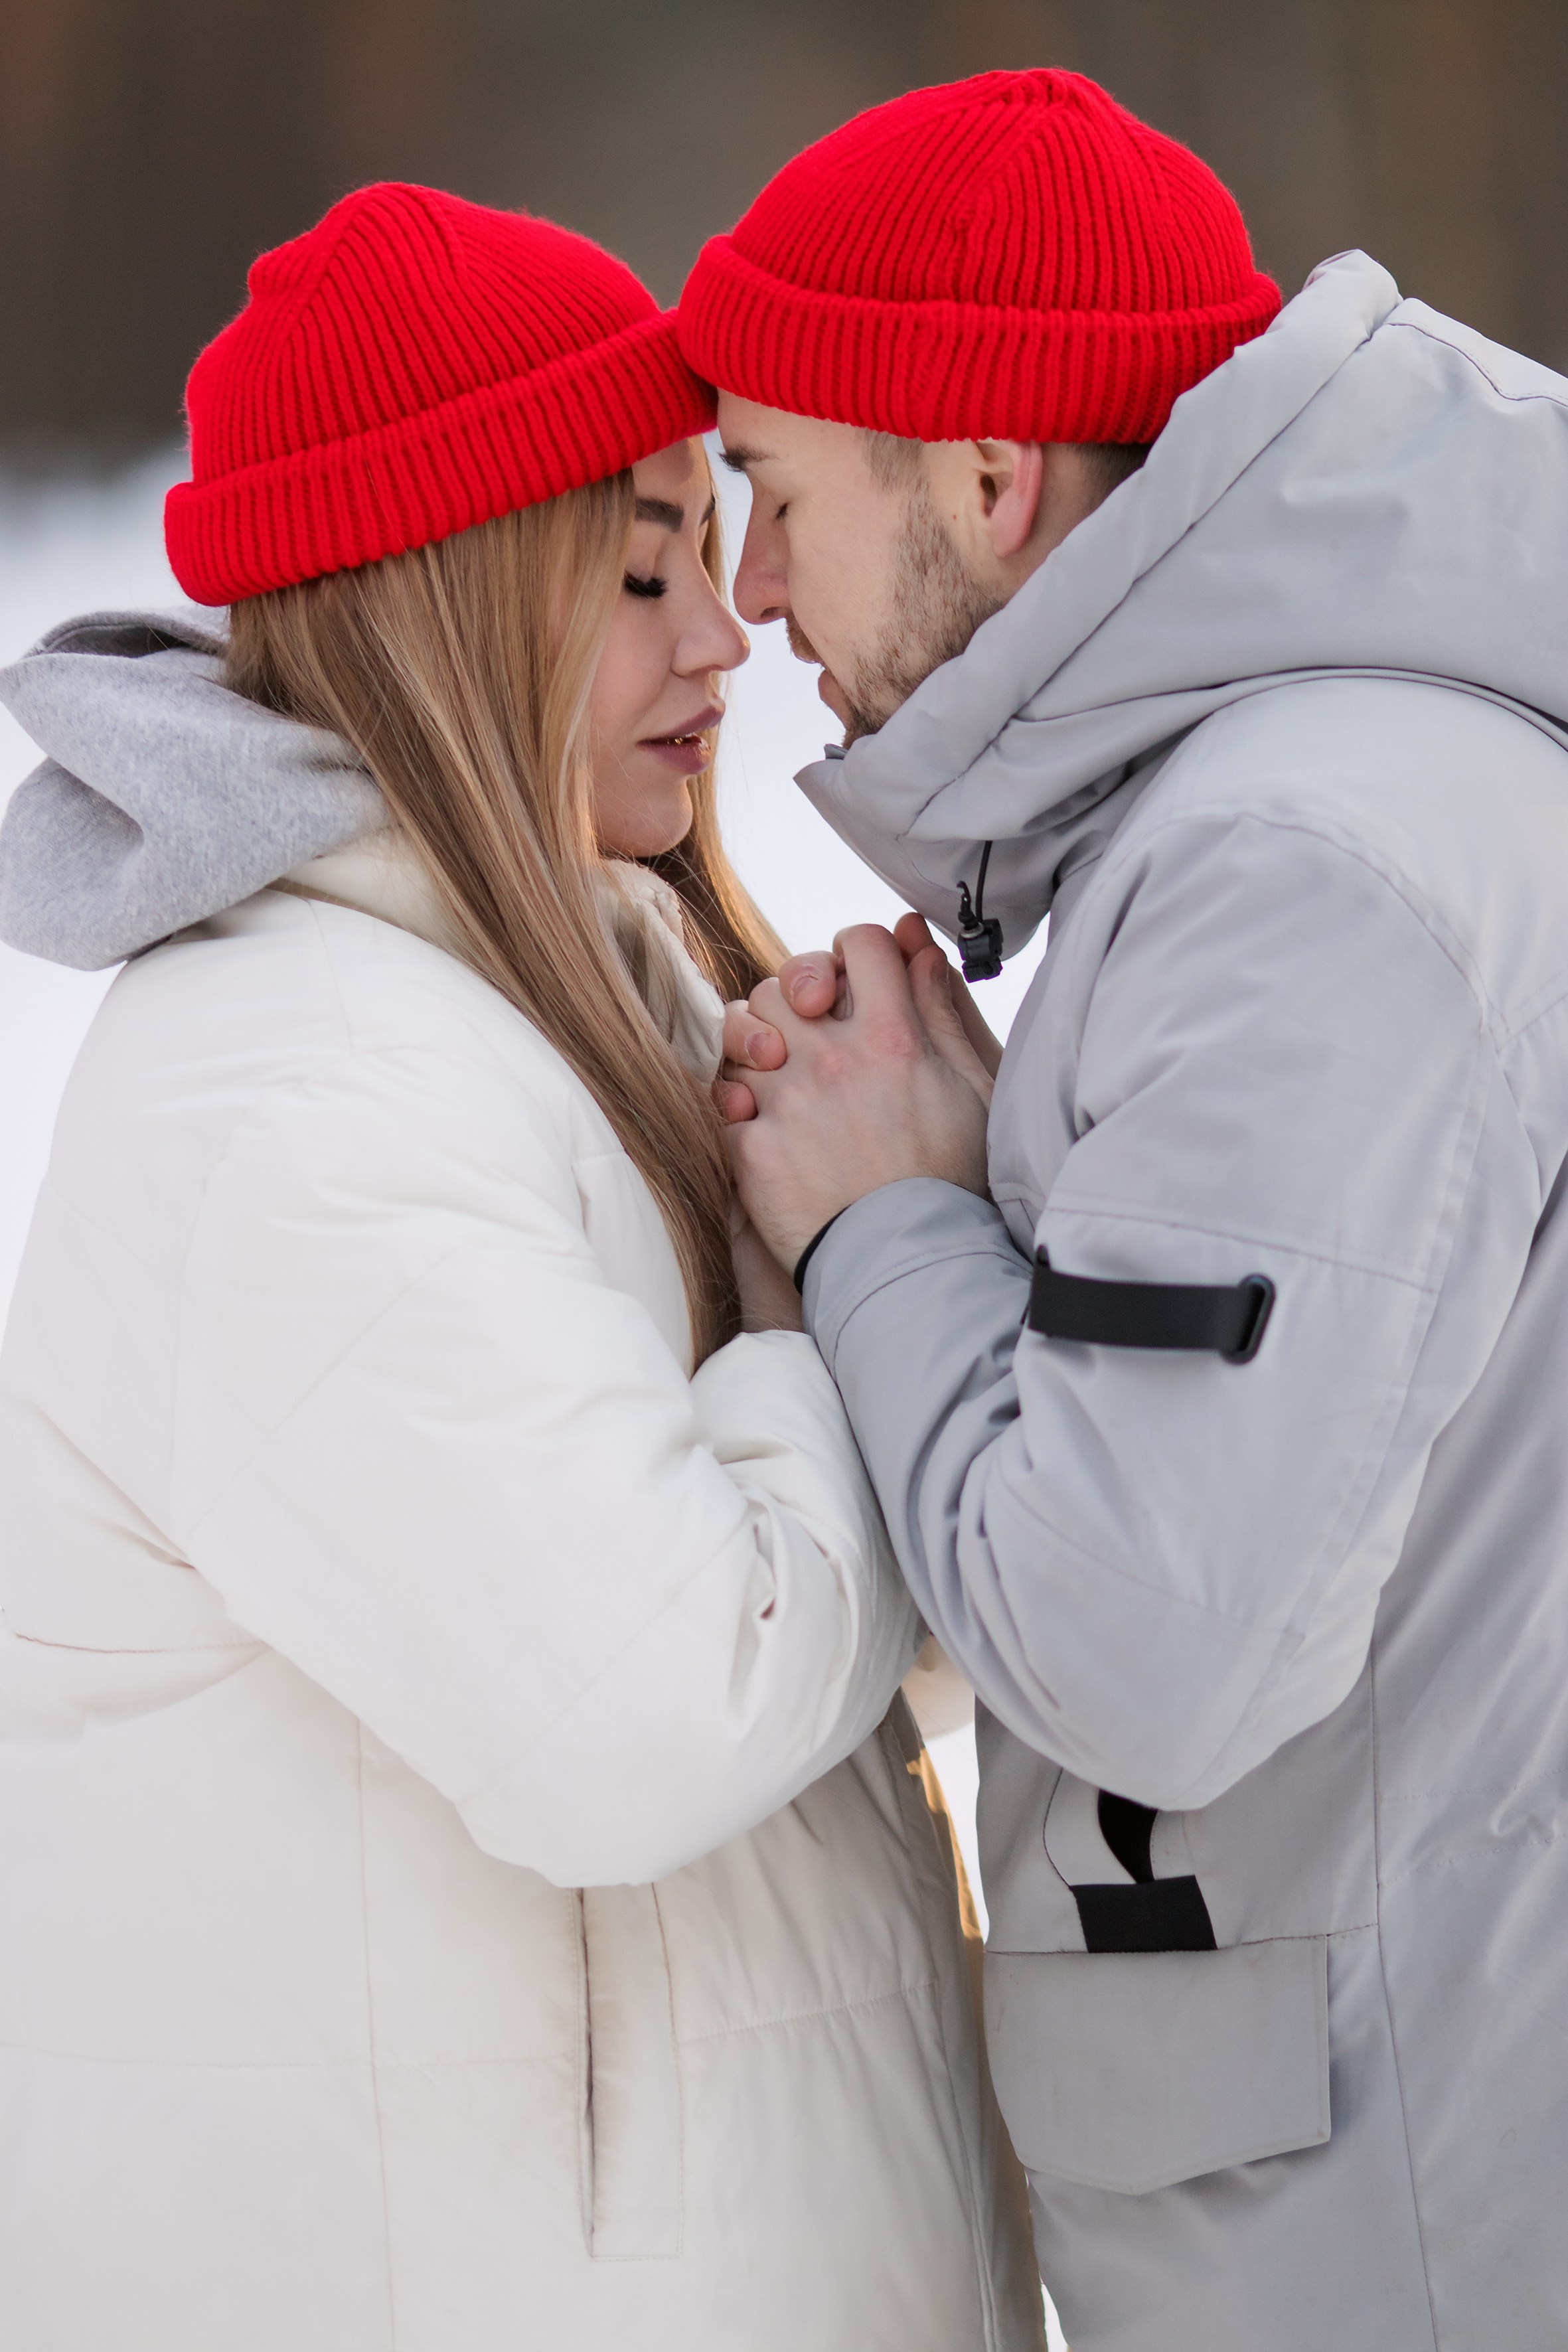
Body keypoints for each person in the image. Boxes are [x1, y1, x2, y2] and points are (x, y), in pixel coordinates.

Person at [0, 183, 1045, 2352]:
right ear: (455, 610)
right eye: (640, 571)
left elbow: (881, 1639)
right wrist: (848, 1263)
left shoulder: (572, 985)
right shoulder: (289, 1104)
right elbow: (654, 1711)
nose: (722, 640)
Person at [691, 66, 1568, 2352]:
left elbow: (1147, 1646)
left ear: (983, 476)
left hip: (1399, 2229)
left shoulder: (1299, 863)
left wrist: (893, 1223)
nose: (752, 583)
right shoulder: (1325, 785)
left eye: (775, 491)